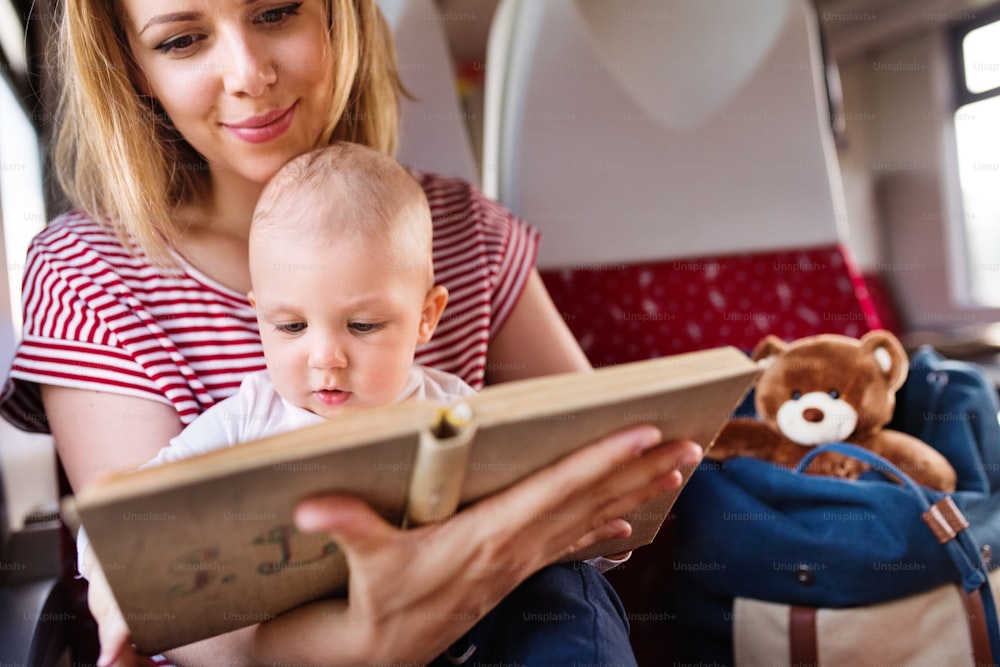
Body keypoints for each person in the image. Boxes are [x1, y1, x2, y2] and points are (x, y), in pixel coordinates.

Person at [2, 1, 703, 665]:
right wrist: (387, 632)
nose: (249, 75)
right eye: (182, 40)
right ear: (133, 68)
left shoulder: (460, 229)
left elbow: (607, 472)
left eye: (276, 12)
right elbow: (179, 606)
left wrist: (614, 494)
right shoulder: (87, 275)